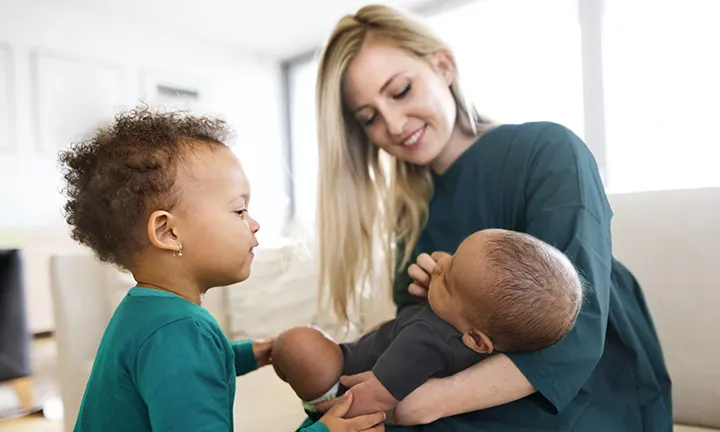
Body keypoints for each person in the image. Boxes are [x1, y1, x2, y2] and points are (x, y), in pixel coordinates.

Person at [308, 4, 672, 431]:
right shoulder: (409, 216)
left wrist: (428, 402)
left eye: (401, 90)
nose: (393, 123)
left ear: (443, 66)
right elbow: (421, 339)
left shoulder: (549, 150)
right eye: (369, 117)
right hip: (455, 384)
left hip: (579, 388)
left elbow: (575, 326)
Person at [59, 106, 385, 432]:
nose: (254, 224)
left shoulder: (146, 312)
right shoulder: (180, 330)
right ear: (168, 233)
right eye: (239, 210)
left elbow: (182, 364)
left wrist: (252, 353)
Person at [273, 229, 584, 420]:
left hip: (344, 376)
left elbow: (379, 397)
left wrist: (332, 413)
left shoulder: (427, 341)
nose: (441, 264)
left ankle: (313, 393)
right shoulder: (469, 323)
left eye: (447, 278)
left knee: (297, 344)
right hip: (365, 357)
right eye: (454, 256)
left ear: (476, 340)